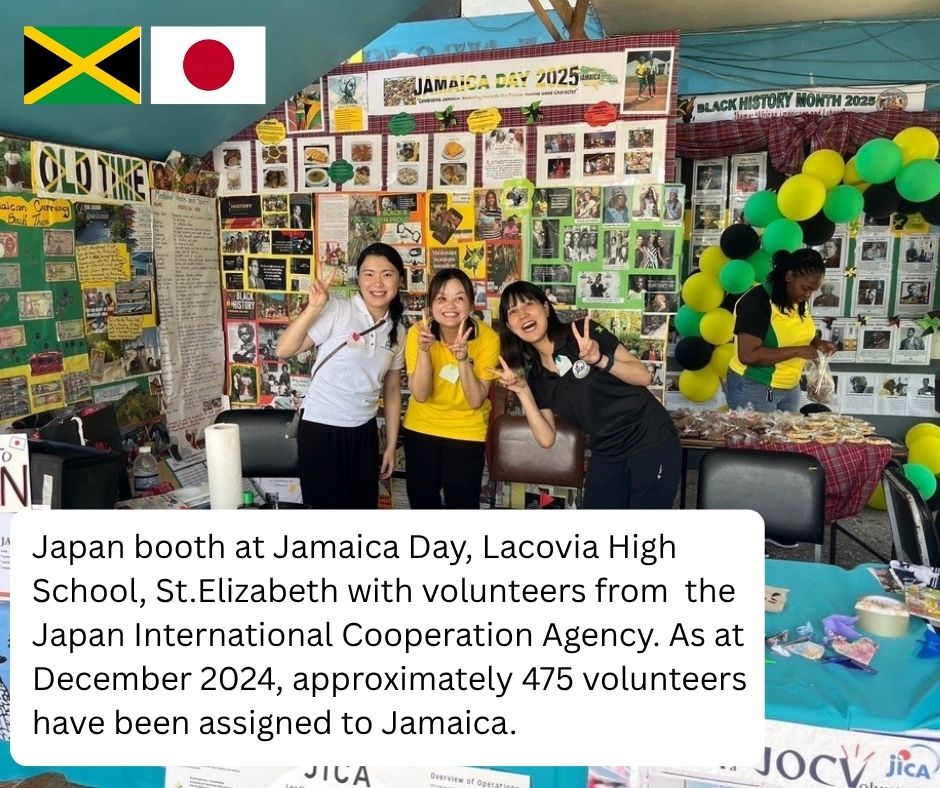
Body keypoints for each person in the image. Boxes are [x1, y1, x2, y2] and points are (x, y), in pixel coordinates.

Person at [492, 282, 680, 508]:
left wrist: (600, 360)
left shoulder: (582, 332)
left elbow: (643, 376)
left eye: (528, 304)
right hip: (606, 451)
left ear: (546, 308)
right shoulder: (537, 377)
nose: (523, 315)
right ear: (510, 326)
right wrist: (523, 391)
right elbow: (546, 438)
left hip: (650, 439)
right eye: (513, 312)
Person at [276, 242, 405, 509]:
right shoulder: (339, 309)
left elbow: (392, 391)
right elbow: (284, 350)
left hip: (364, 432)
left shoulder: (398, 330)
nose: (377, 282)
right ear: (358, 278)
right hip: (322, 430)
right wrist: (313, 307)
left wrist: (391, 444)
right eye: (369, 274)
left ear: (399, 280)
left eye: (387, 274)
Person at [402, 269, 500, 509]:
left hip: (466, 432)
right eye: (441, 298)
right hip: (421, 428)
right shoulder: (417, 333)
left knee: (462, 507)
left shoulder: (488, 338)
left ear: (470, 303)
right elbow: (421, 395)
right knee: (422, 505)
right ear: (431, 305)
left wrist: (463, 358)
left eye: (459, 298)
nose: (450, 306)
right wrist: (424, 351)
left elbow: (477, 400)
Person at [727, 248, 837, 412]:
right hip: (756, 386)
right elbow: (748, 355)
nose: (808, 295)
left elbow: (796, 335)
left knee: (785, 436)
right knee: (756, 437)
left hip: (790, 388)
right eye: (805, 288)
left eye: (813, 290)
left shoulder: (796, 299)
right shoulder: (756, 302)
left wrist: (817, 343)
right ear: (789, 276)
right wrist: (800, 351)